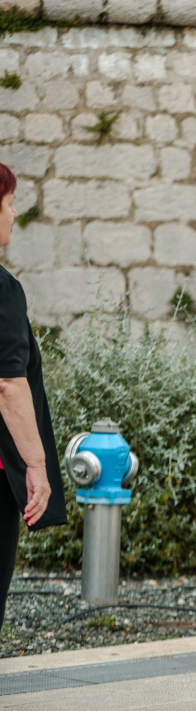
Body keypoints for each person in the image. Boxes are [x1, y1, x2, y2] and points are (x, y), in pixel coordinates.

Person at [0, 162, 68, 630]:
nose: (15, 211)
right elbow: (7, 383)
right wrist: (38, 468)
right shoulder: (2, 290)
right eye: (8, 203)